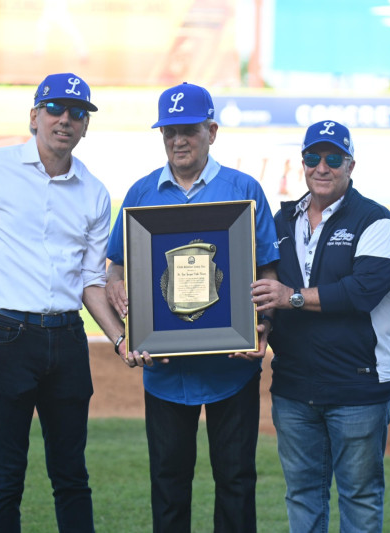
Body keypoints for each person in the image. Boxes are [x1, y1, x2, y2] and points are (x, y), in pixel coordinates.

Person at [0, 72, 124, 533]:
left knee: (72, 476)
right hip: (5, 337)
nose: (65, 120)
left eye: (77, 113)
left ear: (86, 126)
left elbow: (90, 280)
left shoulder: (95, 192)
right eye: (55, 109)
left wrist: (120, 339)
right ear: (34, 116)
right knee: (6, 476)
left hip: (68, 339)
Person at [104, 82, 279, 533]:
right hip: (164, 368)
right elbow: (115, 270)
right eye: (169, 132)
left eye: (189, 130)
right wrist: (123, 299)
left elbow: (269, 275)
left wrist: (261, 326)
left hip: (231, 366)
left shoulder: (243, 189)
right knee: (167, 484)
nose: (178, 140)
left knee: (236, 482)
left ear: (212, 131)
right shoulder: (142, 193)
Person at [250, 120, 390, 532]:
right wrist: (259, 323)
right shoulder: (280, 223)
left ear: (350, 164)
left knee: (360, 497)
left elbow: (361, 292)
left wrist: (290, 297)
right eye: (313, 157)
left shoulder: (376, 221)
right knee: (302, 497)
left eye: (333, 158)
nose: (322, 167)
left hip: (357, 387)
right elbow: (262, 289)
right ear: (302, 162)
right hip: (294, 387)